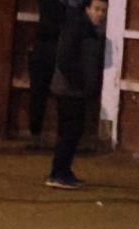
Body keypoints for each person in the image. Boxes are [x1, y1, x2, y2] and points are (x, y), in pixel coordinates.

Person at [46, 0, 107, 190]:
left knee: (72, 131)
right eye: (96, 9)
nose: (100, 14)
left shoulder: (86, 29)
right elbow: (65, 59)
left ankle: (62, 171)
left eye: (103, 10)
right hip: (70, 89)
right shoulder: (79, 28)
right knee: (70, 131)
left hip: (73, 89)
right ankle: (59, 172)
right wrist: (80, 84)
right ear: (87, 9)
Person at [25, 0, 69, 150]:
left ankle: (37, 135)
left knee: (40, 94)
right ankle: (56, 137)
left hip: (49, 47)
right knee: (59, 94)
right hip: (56, 47)